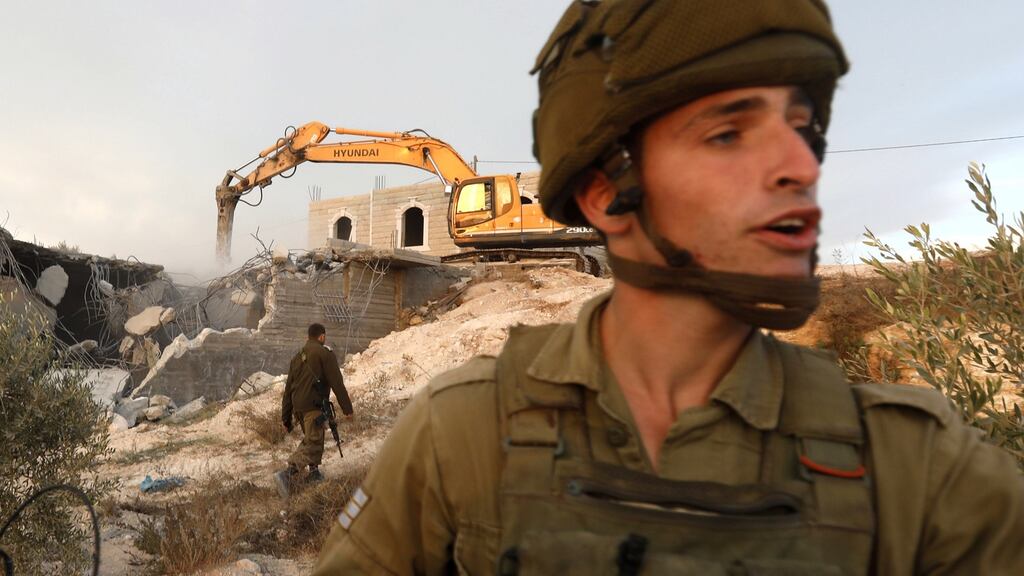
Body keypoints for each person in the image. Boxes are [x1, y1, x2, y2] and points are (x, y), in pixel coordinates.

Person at [315, 1, 1024, 573]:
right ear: (602, 192)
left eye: (805, 128)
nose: (799, 164)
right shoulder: (462, 433)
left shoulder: (919, 468)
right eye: (727, 134)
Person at [275, 322, 353, 497]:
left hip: (298, 408)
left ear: (308, 337)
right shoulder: (324, 354)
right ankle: (288, 473)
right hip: (313, 406)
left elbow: (288, 390)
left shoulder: (297, 357)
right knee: (313, 441)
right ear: (322, 337)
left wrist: (286, 419)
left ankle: (314, 473)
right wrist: (347, 408)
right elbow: (337, 384)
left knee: (313, 436)